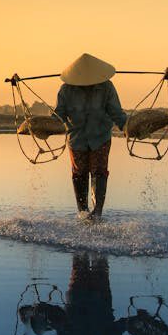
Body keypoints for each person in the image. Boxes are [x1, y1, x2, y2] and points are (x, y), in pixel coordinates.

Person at [54, 53, 127, 221]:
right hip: (77, 138)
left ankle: (97, 212)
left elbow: (117, 113)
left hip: (100, 136)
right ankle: (83, 212)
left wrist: (129, 128)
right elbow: (58, 116)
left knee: (99, 172)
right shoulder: (66, 90)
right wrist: (43, 127)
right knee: (79, 174)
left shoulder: (106, 87)